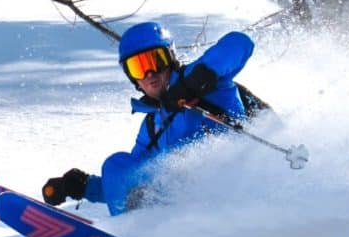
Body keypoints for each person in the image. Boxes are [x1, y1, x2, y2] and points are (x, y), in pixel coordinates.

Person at [42, 21, 265, 215]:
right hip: (189, 205)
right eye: (138, 67)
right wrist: (84, 187)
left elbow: (240, 43)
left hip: (238, 184)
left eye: (155, 61)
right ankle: (139, 231)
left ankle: (134, 233)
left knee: (116, 165)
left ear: (170, 60)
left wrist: (193, 82)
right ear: (133, 79)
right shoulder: (151, 127)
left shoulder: (204, 83)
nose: (150, 74)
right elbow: (133, 181)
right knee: (117, 165)